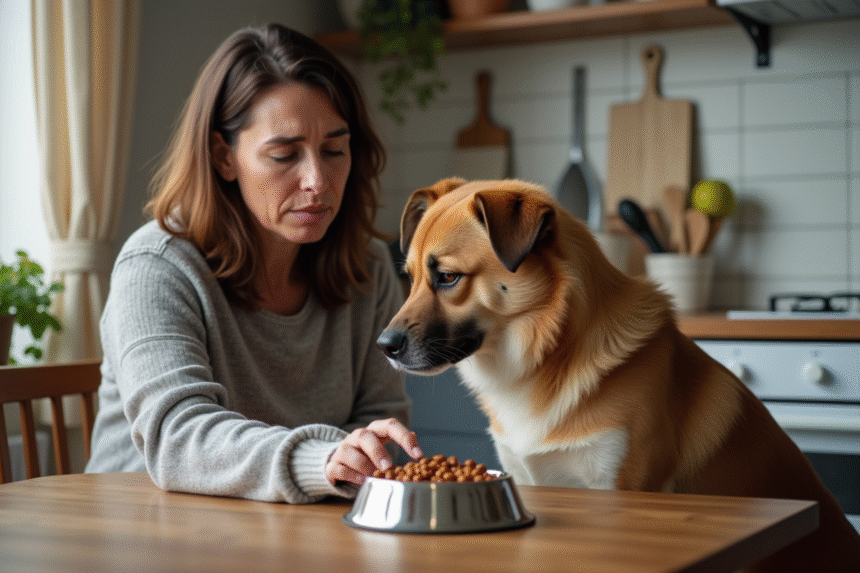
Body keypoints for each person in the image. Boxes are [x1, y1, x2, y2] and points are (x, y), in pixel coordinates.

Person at [85, 23, 422, 503]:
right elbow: (179, 438)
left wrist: (350, 458)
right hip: (144, 532)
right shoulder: (156, 266)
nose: (317, 181)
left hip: (294, 532)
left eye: (334, 150)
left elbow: (379, 424)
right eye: (284, 155)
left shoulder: (365, 268)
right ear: (225, 158)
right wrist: (321, 460)